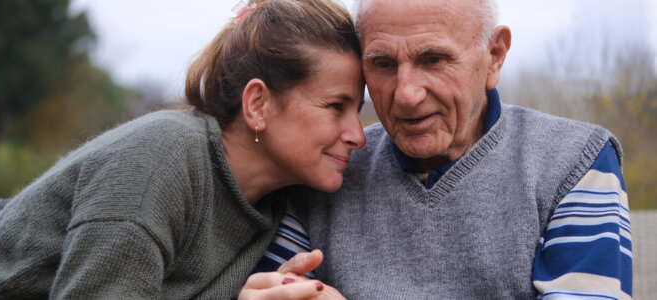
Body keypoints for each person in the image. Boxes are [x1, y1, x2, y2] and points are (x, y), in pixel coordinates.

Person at [0, 0, 366, 298]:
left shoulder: (269, 210)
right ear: (258, 104)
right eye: (335, 107)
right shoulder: (162, 161)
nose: (358, 134)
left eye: (357, 110)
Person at [247, 0, 633, 298]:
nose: (407, 94)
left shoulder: (574, 162)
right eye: (382, 64)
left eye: (433, 59)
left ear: (494, 55)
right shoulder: (331, 169)